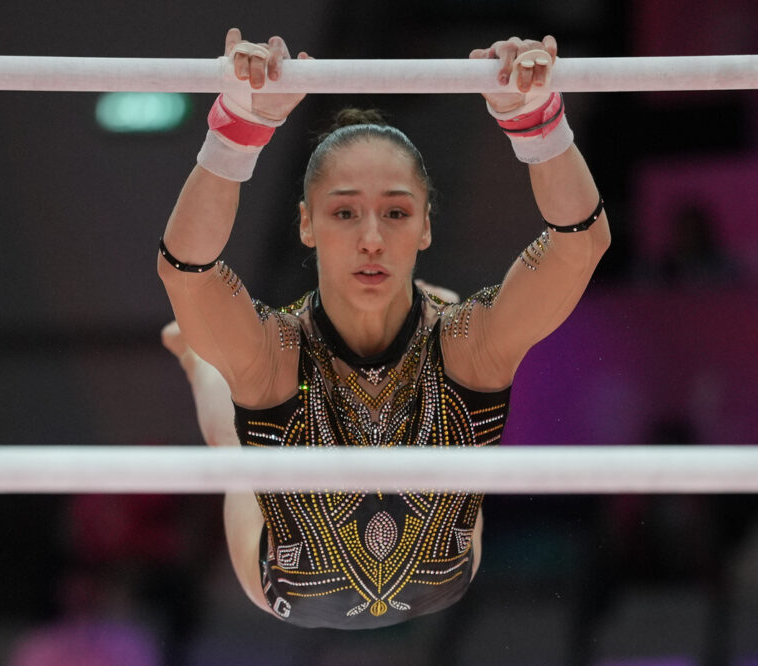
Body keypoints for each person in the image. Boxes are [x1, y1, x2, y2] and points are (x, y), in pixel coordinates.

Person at [158, 28, 610, 629]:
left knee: (442, 359)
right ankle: (201, 359)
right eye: (344, 211)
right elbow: (187, 272)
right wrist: (239, 128)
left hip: (446, 570)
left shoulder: (468, 347)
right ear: (306, 224)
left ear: (426, 226)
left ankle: (213, 354)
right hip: (286, 582)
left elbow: (581, 246)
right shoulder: (275, 355)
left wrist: (535, 120)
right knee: (233, 433)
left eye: (396, 212)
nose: (371, 238)